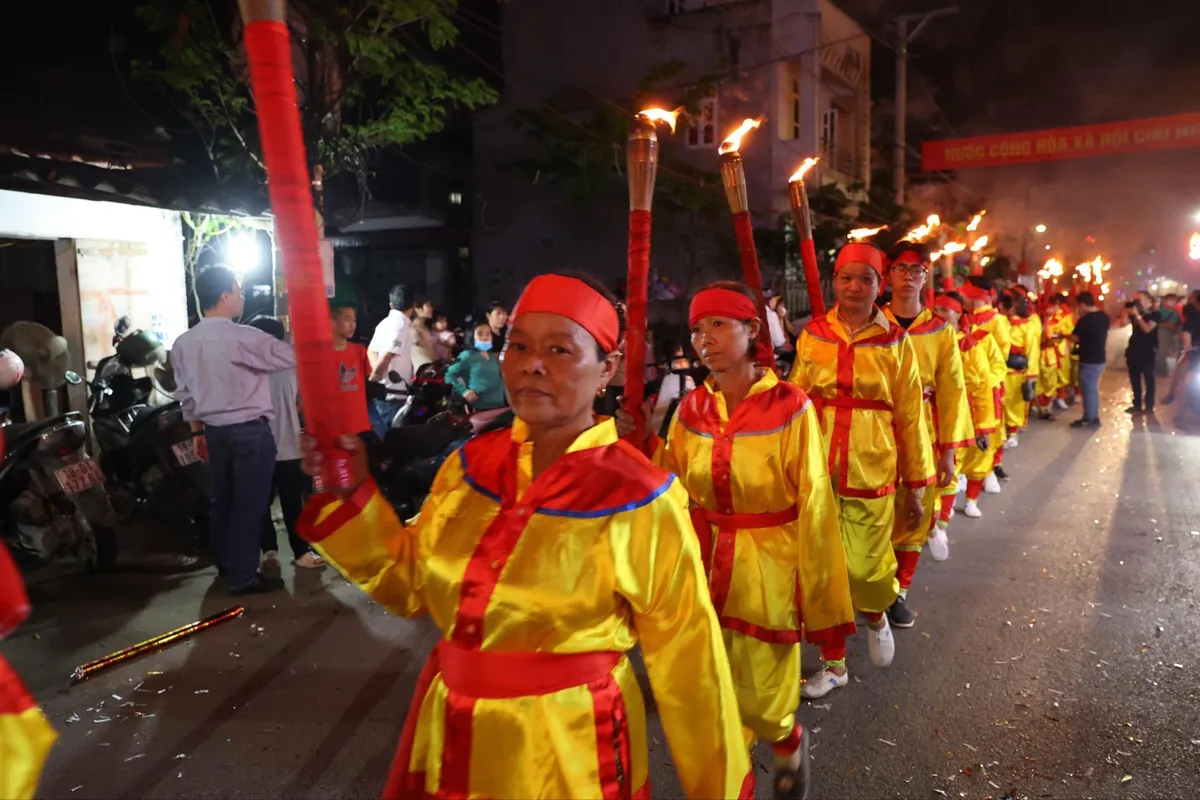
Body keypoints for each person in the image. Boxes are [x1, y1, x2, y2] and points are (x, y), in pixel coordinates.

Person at [295, 272, 754, 800]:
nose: (531, 364)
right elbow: (410, 582)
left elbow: (691, 665)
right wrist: (351, 491)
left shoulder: (639, 497)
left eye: (560, 349)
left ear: (606, 368)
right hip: (449, 737)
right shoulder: (468, 467)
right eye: (518, 346)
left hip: (567, 752)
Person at [619, 281, 851, 792]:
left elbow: (814, 504)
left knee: (763, 699)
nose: (704, 339)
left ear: (752, 330)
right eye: (697, 329)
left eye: (718, 324)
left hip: (768, 571)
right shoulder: (690, 412)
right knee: (711, 702)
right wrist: (634, 448)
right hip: (701, 570)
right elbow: (666, 493)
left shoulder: (792, 408)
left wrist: (820, 598)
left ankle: (786, 739)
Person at [788, 243, 935, 693]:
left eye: (866, 279)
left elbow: (910, 416)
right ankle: (834, 664)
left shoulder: (896, 341)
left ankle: (875, 613)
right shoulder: (812, 335)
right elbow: (792, 400)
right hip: (818, 467)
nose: (855, 287)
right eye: (846, 278)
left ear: (880, 285)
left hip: (873, 467)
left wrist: (918, 483)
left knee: (864, 570)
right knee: (821, 571)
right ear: (835, 281)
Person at [172, 266, 295, 594]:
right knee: (249, 506)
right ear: (224, 296)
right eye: (238, 291)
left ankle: (227, 564)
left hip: (214, 432)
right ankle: (243, 577)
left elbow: (185, 396)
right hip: (249, 432)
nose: (242, 297)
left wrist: (197, 434)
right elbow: (290, 356)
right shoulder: (245, 337)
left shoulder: (183, 343)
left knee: (223, 501)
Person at [881, 242, 973, 629]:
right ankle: (873, 584)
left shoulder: (940, 331)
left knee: (915, 511)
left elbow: (953, 391)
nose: (907, 277)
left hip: (925, 433)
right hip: (875, 433)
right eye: (899, 269)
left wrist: (949, 452)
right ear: (888, 275)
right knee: (874, 512)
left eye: (915, 270)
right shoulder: (873, 324)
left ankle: (899, 591)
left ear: (926, 276)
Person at [247, 317, 325, 571]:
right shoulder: (293, 362)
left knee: (260, 504)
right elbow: (303, 401)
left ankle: (269, 551)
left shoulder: (248, 365)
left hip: (258, 446)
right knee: (293, 503)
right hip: (289, 442)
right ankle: (301, 553)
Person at [930, 292, 997, 529]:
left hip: (958, 413)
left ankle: (942, 524)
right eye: (935, 308)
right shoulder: (922, 339)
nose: (938, 314)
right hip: (925, 411)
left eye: (944, 310)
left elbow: (982, 387)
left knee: (950, 465)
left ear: (959, 315)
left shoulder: (970, 346)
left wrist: (983, 426)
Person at [961, 277, 1010, 492]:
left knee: (989, 428)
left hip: (989, 385)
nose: (962, 297)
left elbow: (1001, 354)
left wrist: (984, 381)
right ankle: (965, 472)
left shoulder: (996, 320)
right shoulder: (964, 318)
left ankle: (988, 470)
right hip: (966, 387)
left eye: (965, 295)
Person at [368, 284, 414, 437]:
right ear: (413, 306)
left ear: (390, 304)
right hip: (393, 396)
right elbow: (386, 355)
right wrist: (374, 380)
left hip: (385, 394)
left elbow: (371, 351)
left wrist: (377, 380)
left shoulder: (384, 323)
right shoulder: (400, 324)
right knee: (393, 439)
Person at [997, 290, 1040, 454]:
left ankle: (1013, 433)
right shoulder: (1002, 323)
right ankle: (1004, 433)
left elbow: (1032, 351)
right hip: (1002, 369)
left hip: (1017, 371)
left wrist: (1030, 375)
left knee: (1015, 402)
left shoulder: (1027, 326)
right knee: (1002, 402)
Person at [329, 302, 376, 443]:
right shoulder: (320, 355)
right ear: (332, 321)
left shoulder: (359, 351)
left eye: (354, 320)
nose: (352, 325)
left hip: (359, 425)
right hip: (333, 427)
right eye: (347, 319)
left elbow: (368, 378)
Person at [1069, 291, 1110, 429]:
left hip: (1089, 360)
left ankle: (1089, 418)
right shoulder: (1104, 316)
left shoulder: (1085, 320)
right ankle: (1092, 416)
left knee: (1088, 390)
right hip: (1099, 358)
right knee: (1092, 389)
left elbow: (1074, 337)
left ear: (1082, 304)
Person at [444, 322, 506, 410]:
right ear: (472, 336)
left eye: (488, 334)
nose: (485, 337)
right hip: (480, 407)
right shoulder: (467, 355)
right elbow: (448, 374)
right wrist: (464, 391)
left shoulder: (492, 356)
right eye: (480, 334)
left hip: (499, 404)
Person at [1121, 290, 1160, 415]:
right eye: (1135, 300)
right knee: (1134, 379)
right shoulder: (1135, 313)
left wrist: (1138, 316)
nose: (1137, 302)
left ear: (1148, 301)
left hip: (1148, 351)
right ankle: (1137, 404)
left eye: (1140, 300)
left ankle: (1149, 405)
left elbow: (1147, 329)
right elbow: (1122, 324)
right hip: (1133, 350)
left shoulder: (1155, 314)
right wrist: (1126, 311)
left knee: (1148, 378)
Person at [408, 295, 438, 371]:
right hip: (423, 374)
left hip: (432, 370)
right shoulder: (412, 330)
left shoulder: (425, 328)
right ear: (417, 309)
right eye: (428, 306)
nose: (431, 308)